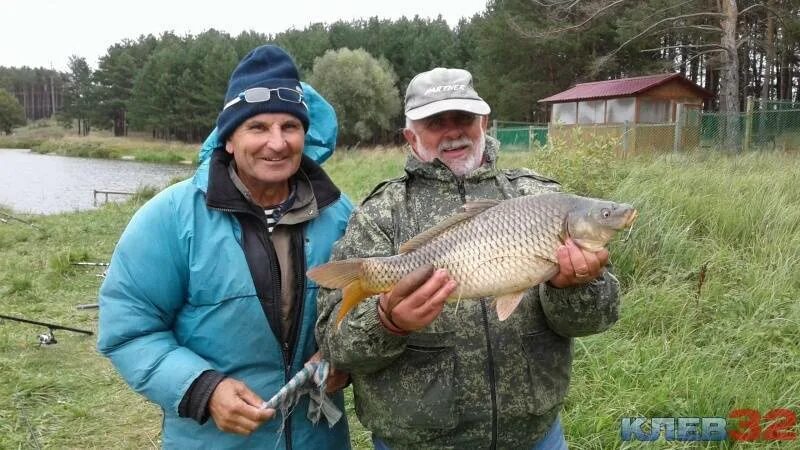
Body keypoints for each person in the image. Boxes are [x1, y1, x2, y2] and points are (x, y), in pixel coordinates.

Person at [316, 67, 620, 449]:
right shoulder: (380, 214)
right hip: (417, 443)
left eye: (462, 117)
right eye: (435, 122)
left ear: (483, 121)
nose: (453, 131)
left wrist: (571, 288)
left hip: (535, 437)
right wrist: (386, 321)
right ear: (412, 136)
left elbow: (599, 317)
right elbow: (336, 346)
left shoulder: (539, 198)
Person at [97, 45, 352, 449]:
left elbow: (364, 313)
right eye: (257, 127)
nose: (277, 142)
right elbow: (128, 330)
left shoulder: (341, 216)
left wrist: (346, 361)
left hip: (318, 439)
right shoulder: (170, 218)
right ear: (229, 139)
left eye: (290, 126)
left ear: (305, 133)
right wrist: (202, 388)